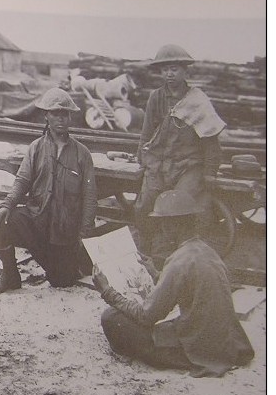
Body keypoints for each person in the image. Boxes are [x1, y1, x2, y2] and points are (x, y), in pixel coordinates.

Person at [92, 190, 253, 377]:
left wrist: (107, 291)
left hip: (198, 346)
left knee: (111, 318)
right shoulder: (208, 251)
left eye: (163, 223)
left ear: (173, 224)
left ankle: (174, 357)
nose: (161, 228)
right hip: (221, 340)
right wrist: (154, 272)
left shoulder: (178, 261)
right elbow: (186, 285)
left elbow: (146, 316)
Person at [0, 87, 96, 295]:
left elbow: (90, 198)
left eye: (64, 114)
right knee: (0, 224)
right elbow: (22, 180)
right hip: (37, 222)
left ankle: (67, 265)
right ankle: (10, 277)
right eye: (55, 113)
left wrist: (85, 235)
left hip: (64, 234)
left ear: (70, 117)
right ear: (47, 116)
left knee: (61, 281)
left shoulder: (82, 154)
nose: (60, 119)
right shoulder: (35, 148)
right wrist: (6, 205)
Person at [136, 44, 225, 262]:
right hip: (159, 164)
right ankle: (146, 254)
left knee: (181, 206)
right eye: (165, 69)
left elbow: (210, 139)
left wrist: (210, 172)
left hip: (188, 166)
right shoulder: (156, 98)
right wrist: (143, 162)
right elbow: (146, 133)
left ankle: (182, 257)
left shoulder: (198, 100)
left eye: (174, 68)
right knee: (143, 206)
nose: (169, 73)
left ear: (185, 71)